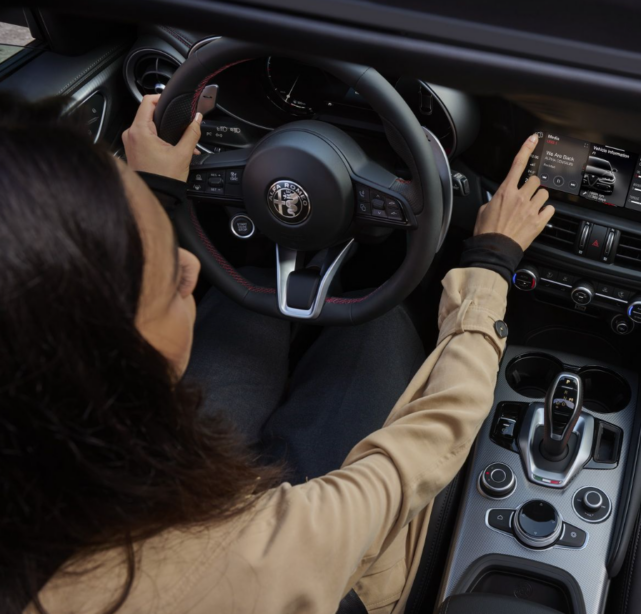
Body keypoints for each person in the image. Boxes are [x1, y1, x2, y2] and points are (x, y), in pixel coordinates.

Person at [0, 93, 553, 614]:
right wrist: (490, 262)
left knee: (256, 295)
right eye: (170, 284)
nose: (190, 269)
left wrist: (155, 192)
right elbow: (428, 439)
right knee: (377, 322)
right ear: (109, 358)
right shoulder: (247, 563)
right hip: (302, 578)